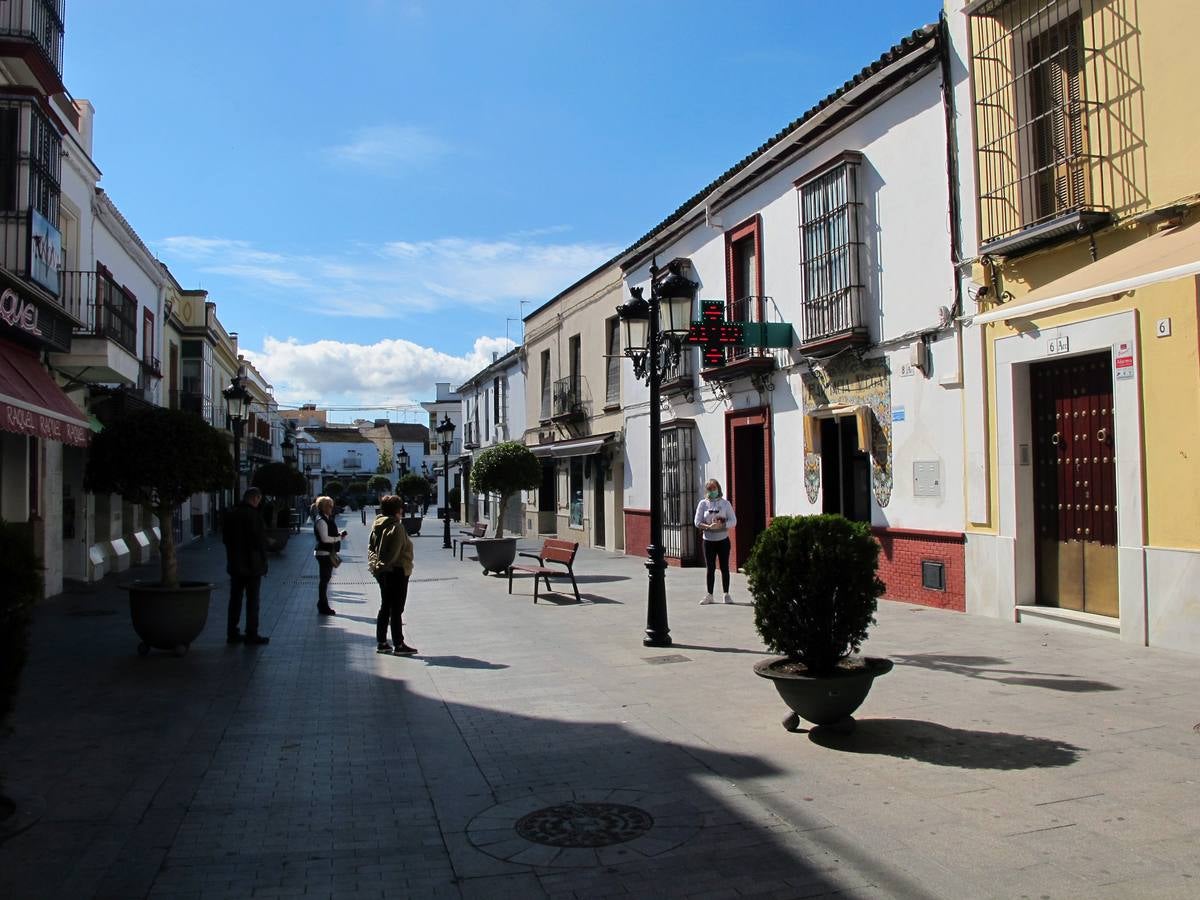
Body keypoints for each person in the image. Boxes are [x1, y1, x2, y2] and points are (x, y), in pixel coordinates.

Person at [369, 495, 417, 655]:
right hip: (397, 571)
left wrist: (376, 567)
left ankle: (382, 642)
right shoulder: (397, 527)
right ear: (397, 510)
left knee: (385, 607)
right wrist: (385, 566)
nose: (402, 510)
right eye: (401, 507)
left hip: (383, 572)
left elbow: (371, 548)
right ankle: (399, 644)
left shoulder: (377, 525)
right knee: (397, 609)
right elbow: (395, 553)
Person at [223, 487, 270, 645]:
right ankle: (251, 634)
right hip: (252, 566)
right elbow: (259, 541)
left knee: (234, 599)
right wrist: (264, 561)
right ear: (255, 498)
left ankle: (232, 632)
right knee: (252, 601)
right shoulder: (254, 516)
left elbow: (225, 539)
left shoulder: (231, 514)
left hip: (235, 564)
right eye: (259, 500)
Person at [694, 478, 737, 605]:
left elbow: (733, 521)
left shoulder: (725, 504)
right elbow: (697, 522)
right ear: (707, 490)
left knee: (724, 567)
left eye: (714, 488)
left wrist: (722, 525)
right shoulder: (703, 504)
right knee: (710, 567)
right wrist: (708, 527)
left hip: (723, 540)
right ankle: (710, 595)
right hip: (708, 540)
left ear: (718, 488)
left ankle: (726, 594)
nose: (712, 491)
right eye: (710, 489)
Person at [313, 495, 348, 616]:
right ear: (323, 507)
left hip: (328, 552)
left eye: (332, 505)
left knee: (325, 579)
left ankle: (322, 603)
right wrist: (338, 537)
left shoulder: (327, 518)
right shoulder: (321, 520)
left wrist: (339, 535)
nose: (331, 508)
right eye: (329, 506)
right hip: (324, 553)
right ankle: (323, 605)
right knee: (324, 580)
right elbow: (325, 538)